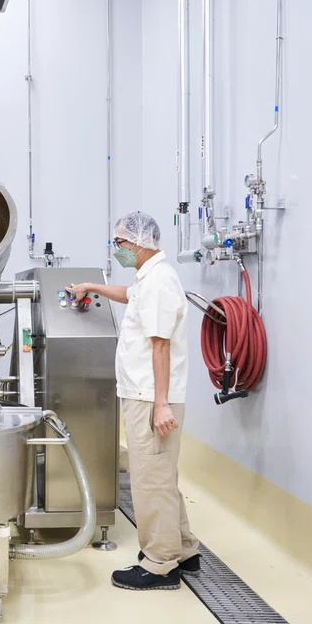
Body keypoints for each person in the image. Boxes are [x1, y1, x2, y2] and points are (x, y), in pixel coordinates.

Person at [67, 211, 200, 591]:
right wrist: (93, 286)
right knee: (163, 476)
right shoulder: (150, 278)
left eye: (121, 243)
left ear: (140, 244)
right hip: (146, 394)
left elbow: (160, 345)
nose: (118, 249)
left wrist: (160, 405)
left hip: (150, 397)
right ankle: (185, 549)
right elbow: (129, 296)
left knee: (149, 481)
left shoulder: (158, 281)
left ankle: (160, 564)